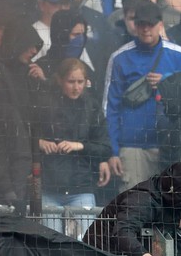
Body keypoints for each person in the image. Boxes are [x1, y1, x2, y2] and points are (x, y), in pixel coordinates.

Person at [104, 0, 181, 190]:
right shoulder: (119, 58)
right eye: (141, 24)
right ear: (134, 25)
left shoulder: (178, 55)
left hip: (168, 148)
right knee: (133, 209)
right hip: (132, 148)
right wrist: (113, 151)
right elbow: (110, 108)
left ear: (160, 24)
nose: (146, 29)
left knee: (166, 212)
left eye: (151, 24)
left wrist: (166, 82)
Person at [37, 58, 110, 234]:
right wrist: (39, 142)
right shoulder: (45, 104)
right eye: (71, 81)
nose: (76, 87)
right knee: (50, 244)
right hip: (50, 186)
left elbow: (105, 147)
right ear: (61, 80)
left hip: (81, 186)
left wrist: (80, 146)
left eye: (80, 82)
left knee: (86, 242)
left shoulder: (92, 107)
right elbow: (25, 135)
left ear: (86, 82)